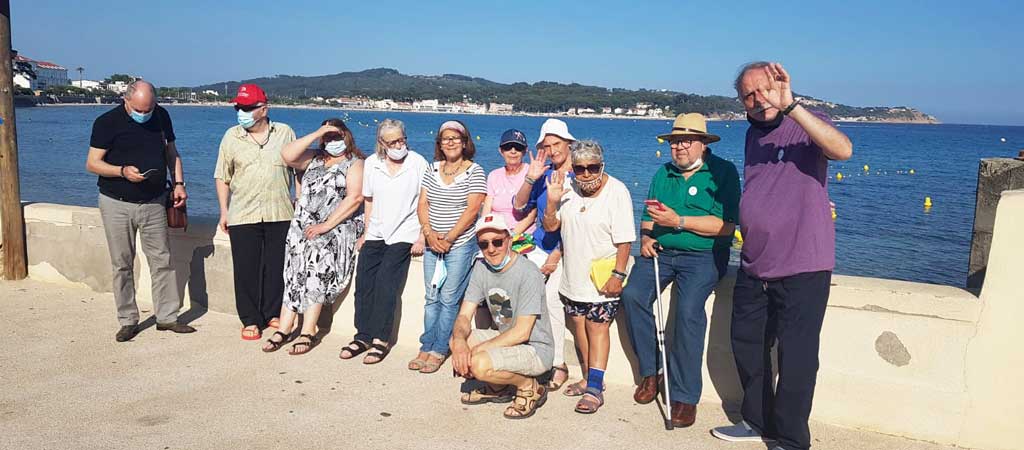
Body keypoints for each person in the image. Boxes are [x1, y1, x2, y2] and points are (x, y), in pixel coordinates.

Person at [711, 62, 853, 450]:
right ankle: (756, 421)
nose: (759, 100)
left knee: (797, 358)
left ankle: (791, 439)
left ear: (781, 87)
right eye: (749, 95)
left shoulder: (807, 122)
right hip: (756, 263)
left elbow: (843, 150)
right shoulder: (751, 135)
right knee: (748, 346)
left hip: (804, 264)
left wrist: (792, 107)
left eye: (765, 90)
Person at [621, 113, 740, 427]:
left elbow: (726, 226)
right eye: (675, 141)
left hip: (703, 256)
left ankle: (685, 395)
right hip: (661, 250)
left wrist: (680, 222)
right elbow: (650, 214)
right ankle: (652, 371)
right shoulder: (664, 172)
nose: (679, 147)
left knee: (688, 311)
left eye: (686, 141)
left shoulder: (723, 172)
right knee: (633, 295)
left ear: (702, 143)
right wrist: (646, 236)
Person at [85, 80, 196, 341]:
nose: (144, 114)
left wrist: (179, 183)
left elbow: (172, 152)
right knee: (122, 263)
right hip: (116, 202)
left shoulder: (161, 116)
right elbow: (92, 163)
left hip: (154, 200)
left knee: (162, 260)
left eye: (149, 109)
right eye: (139, 110)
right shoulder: (106, 123)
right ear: (126, 101)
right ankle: (127, 320)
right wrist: (122, 171)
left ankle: (167, 317)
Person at [542, 139, 635, 414]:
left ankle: (595, 387)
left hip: (602, 276)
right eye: (580, 168)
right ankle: (587, 377)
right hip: (573, 276)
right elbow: (551, 227)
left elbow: (625, 240)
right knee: (580, 327)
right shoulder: (567, 187)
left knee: (597, 328)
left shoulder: (617, 191)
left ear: (601, 165)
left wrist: (618, 274)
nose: (585, 174)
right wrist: (551, 201)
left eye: (592, 168)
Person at [260, 119, 365, 355]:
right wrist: (318, 132)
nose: (332, 141)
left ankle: (308, 329)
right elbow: (287, 155)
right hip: (302, 225)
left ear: (346, 136)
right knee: (293, 271)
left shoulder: (355, 163)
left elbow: (355, 198)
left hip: (335, 226)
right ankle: (285, 326)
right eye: (327, 137)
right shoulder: (314, 159)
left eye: (336, 136)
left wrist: (325, 225)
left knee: (316, 266)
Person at [214, 84, 298, 341]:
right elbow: (222, 176)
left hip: (280, 211)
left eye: (248, 108)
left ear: (264, 108)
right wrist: (223, 211)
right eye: (239, 107)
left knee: (277, 266)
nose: (242, 112)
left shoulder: (284, 133)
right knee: (246, 268)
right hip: (243, 213)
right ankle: (250, 319)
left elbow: (298, 168)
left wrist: (300, 200)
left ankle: (272, 312)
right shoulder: (231, 136)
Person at [339, 119, 427, 364]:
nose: (400, 144)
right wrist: (367, 232)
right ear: (382, 143)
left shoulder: (417, 163)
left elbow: (425, 202)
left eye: (402, 139)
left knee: (387, 284)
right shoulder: (372, 164)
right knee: (364, 284)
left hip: (405, 233)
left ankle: (381, 339)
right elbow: (369, 200)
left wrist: (422, 236)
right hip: (377, 230)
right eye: (393, 141)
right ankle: (363, 335)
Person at [451, 213, 554, 419]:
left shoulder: (528, 272)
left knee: (478, 363)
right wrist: (461, 342)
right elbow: (464, 315)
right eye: (484, 244)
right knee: (456, 340)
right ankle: (498, 388)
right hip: (509, 341)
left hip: (535, 349)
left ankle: (530, 387)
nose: (491, 249)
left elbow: (522, 332)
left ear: (508, 239)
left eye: (497, 242)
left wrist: (478, 351)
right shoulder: (481, 268)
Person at [412, 120, 487, 374]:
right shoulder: (432, 169)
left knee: (449, 298)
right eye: (446, 138)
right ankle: (426, 344)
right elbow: (423, 204)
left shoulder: (475, 171)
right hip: (433, 243)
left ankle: (439, 349)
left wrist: (449, 238)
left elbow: (472, 209)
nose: (451, 142)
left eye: (456, 138)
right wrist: (429, 234)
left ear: (465, 142)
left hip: (461, 245)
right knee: (431, 298)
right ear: (439, 144)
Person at [511, 118, 576, 391]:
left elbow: (575, 224)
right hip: (538, 245)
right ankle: (526, 357)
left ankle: (558, 363)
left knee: (551, 301)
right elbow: (520, 205)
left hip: (566, 250)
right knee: (516, 295)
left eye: (557, 144)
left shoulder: (582, 173)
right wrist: (531, 176)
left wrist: (556, 256)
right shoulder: (544, 172)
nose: (553, 150)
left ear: (568, 144)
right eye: (547, 146)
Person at [479, 129, 537, 328]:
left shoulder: (531, 172)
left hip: (520, 238)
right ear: (501, 151)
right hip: (496, 237)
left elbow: (533, 211)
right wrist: (484, 230)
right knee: (487, 285)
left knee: (513, 285)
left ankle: (511, 331)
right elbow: (488, 205)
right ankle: (495, 329)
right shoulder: (494, 176)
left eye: (518, 147)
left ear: (525, 150)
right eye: (508, 147)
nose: (513, 151)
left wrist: (512, 235)